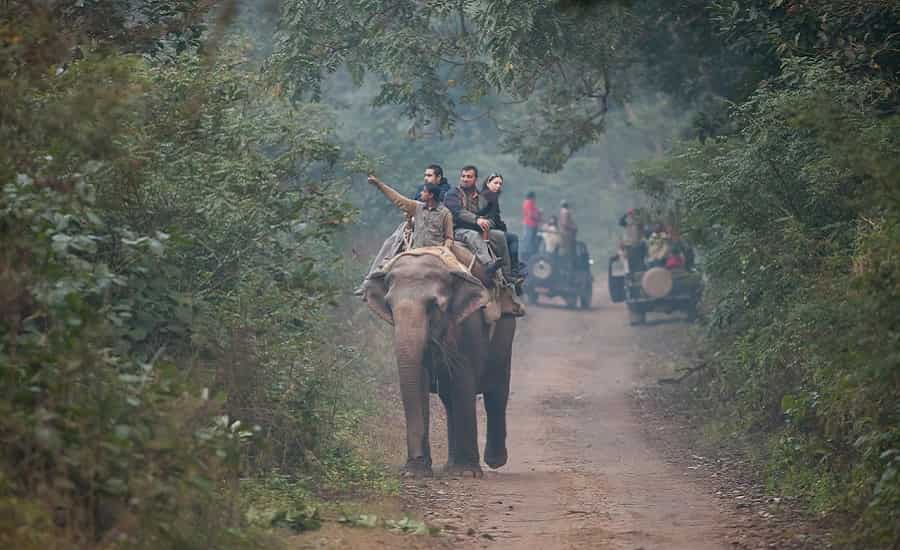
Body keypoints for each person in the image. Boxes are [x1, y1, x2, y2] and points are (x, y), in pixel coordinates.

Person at [444, 165, 512, 283]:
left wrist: (487, 223)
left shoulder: (481, 196)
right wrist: (477, 220)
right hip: (458, 230)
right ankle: (489, 264)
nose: (465, 179)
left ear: (475, 179)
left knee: (500, 236)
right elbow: (458, 212)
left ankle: (507, 276)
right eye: (463, 176)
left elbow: (490, 215)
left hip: (478, 228)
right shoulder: (452, 194)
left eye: (469, 177)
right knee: (473, 235)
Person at [367, 174, 453, 249]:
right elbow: (397, 199)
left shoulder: (445, 213)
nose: (421, 193)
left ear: (431, 195)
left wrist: (445, 250)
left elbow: (449, 238)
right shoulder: (417, 207)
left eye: (424, 191)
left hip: (435, 253)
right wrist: (379, 184)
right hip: (416, 251)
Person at [475, 173, 523, 284]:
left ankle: (515, 269)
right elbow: (486, 215)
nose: (498, 186)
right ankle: (512, 272)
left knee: (510, 237)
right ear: (488, 183)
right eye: (495, 183)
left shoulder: (489, 195)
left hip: (489, 226)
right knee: (513, 238)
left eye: (500, 184)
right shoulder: (488, 195)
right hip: (484, 228)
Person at [521, 191, 541, 261]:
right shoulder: (529, 202)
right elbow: (531, 214)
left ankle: (528, 255)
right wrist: (538, 217)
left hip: (530, 223)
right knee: (529, 240)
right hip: (530, 224)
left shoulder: (527, 202)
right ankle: (528, 255)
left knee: (529, 240)